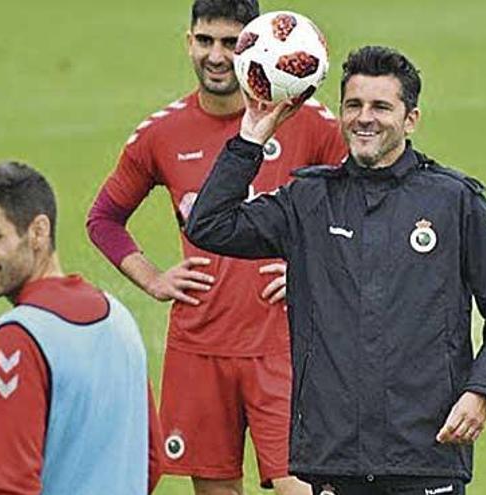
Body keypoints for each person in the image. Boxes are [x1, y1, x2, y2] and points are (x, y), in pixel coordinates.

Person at [183, 45, 486, 495]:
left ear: (411, 119)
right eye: (354, 105)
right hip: (334, 461)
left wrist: (482, 392)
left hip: (425, 457)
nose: (364, 118)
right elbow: (210, 226)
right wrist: (251, 137)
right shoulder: (308, 201)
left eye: (381, 107)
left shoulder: (454, 201)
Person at [86, 1, 347, 494]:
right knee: (214, 489)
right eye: (204, 41)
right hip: (200, 344)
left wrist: (316, 268)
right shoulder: (161, 134)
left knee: (300, 486)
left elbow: (362, 203)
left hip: (284, 343)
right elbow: (104, 218)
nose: (216, 55)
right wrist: (153, 278)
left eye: (231, 43)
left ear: (254, 46)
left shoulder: (308, 121)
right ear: (189, 42)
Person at [0, 162, 162, 494]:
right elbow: (150, 459)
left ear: (39, 231)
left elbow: (9, 485)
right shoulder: (119, 317)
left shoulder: (19, 336)